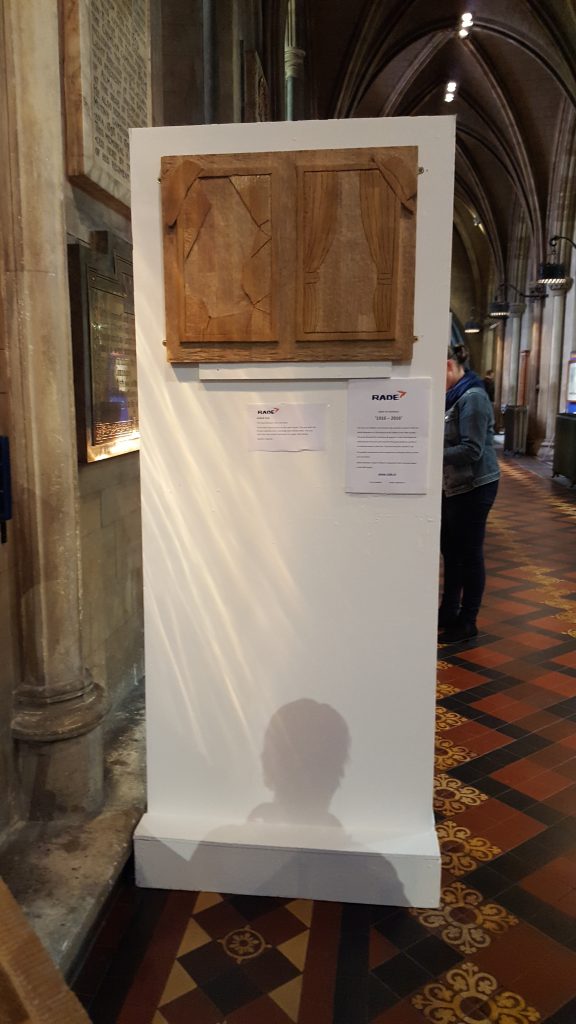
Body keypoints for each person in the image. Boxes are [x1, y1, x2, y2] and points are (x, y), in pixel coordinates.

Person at [439, 344, 500, 642]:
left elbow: (472, 450)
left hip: (475, 486)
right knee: (451, 551)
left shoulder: (473, 396)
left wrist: (427, 454)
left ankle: (468, 620)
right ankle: (448, 611)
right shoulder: (452, 395)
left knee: (470, 554)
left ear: (449, 366)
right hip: (454, 485)